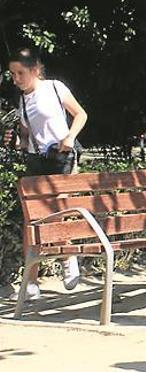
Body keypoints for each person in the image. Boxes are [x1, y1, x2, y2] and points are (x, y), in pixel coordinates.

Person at [8, 47, 88, 301]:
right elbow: (26, 135)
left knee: (59, 214)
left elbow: (81, 114)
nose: (16, 78)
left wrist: (70, 137)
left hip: (61, 157)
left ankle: (68, 258)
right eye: (12, 74)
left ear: (35, 70)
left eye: (20, 73)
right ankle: (31, 279)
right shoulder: (22, 100)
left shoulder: (54, 88)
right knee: (32, 220)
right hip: (36, 159)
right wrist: (17, 141)